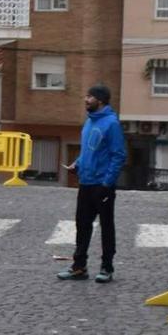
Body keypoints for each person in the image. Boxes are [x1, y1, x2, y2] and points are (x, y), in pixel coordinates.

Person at [58, 84, 126, 283]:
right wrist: (77, 164)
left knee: (106, 227)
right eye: (86, 96)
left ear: (101, 100)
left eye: (90, 97)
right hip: (85, 182)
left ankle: (107, 267)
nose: (86, 99)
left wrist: (107, 183)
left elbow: (119, 155)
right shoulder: (89, 122)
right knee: (82, 225)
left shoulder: (111, 123)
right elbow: (89, 151)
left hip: (102, 184)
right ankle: (79, 267)